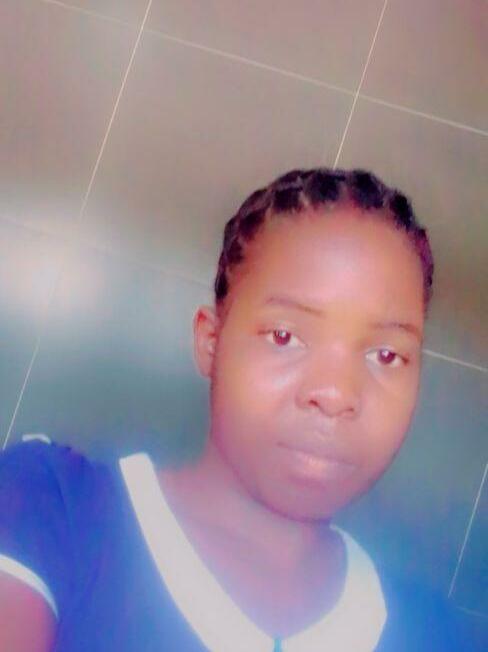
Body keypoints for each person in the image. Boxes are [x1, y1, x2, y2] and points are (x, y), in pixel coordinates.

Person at [0, 168, 472, 651]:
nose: (334, 393)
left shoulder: (441, 636)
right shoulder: (51, 507)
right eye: (284, 336)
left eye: (386, 355)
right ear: (211, 342)